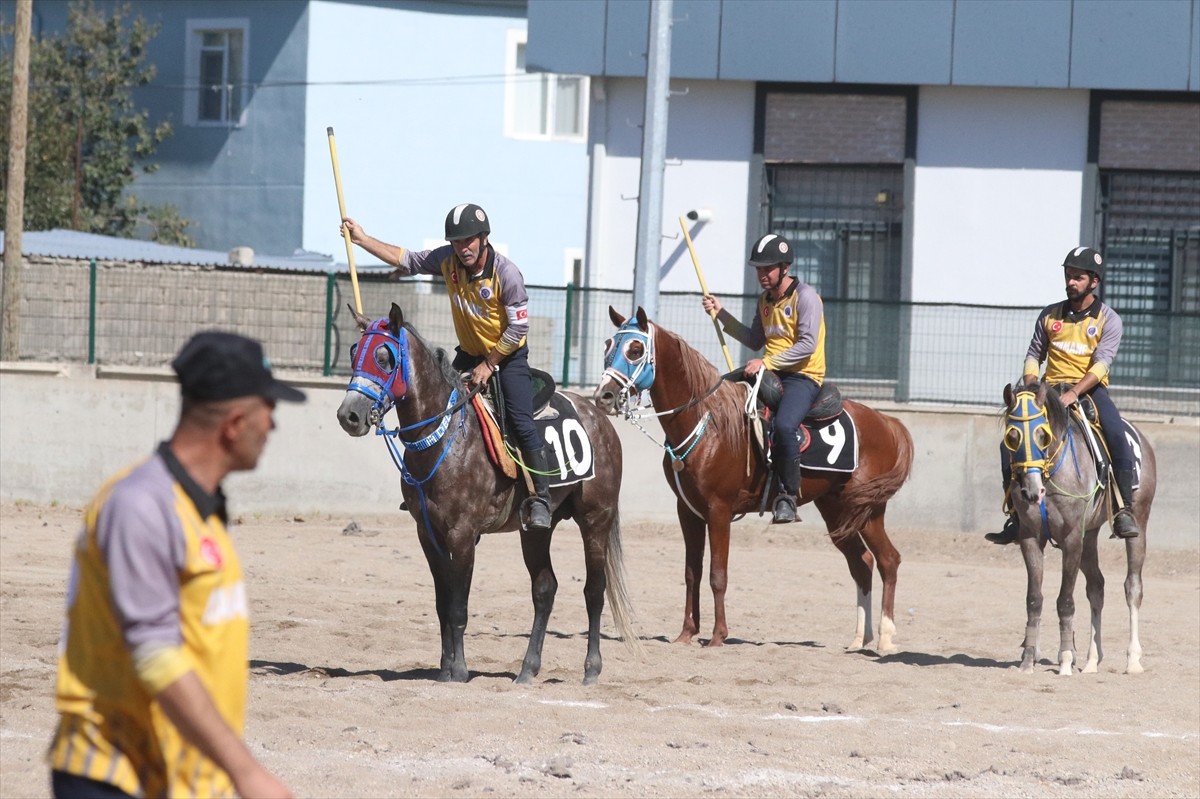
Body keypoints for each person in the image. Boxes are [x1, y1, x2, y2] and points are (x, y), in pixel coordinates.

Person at [48, 331, 302, 799]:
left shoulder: (199, 507)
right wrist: (246, 771)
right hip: (113, 778)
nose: (273, 426)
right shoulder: (140, 505)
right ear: (234, 423)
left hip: (178, 776)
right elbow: (154, 653)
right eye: (269, 410)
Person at [341, 203, 553, 531]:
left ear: (484, 239)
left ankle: (541, 498)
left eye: (468, 240)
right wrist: (362, 239)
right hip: (468, 354)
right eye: (456, 242)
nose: (461, 248)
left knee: (521, 423)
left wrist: (490, 364)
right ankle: (426, 485)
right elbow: (407, 260)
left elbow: (518, 329)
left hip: (507, 357)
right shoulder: (447, 260)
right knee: (432, 413)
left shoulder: (507, 274)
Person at [986, 246, 1141, 544]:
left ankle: (1123, 510)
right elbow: (1034, 354)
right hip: (1048, 390)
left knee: (1116, 433)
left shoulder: (1109, 320)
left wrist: (1073, 393)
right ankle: (1016, 516)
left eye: (1078, 278)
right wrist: (1032, 384)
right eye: (1069, 276)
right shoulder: (1049, 315)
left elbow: (1101, 365)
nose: (1071, 282)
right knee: (1012, 440)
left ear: (1093, 282)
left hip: (1089, 391)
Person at [702, 233, 826, 524]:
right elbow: (753, 338)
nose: (761, 274)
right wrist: (720, 313)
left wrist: (766, 362)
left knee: (783, 426)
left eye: (767, 268)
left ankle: (787, 497)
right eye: (758, 268)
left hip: (803, 376)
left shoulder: (806, 297)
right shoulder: (765, 301)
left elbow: (807, 344)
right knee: (717, 391)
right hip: (770, 370)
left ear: (784, 267)